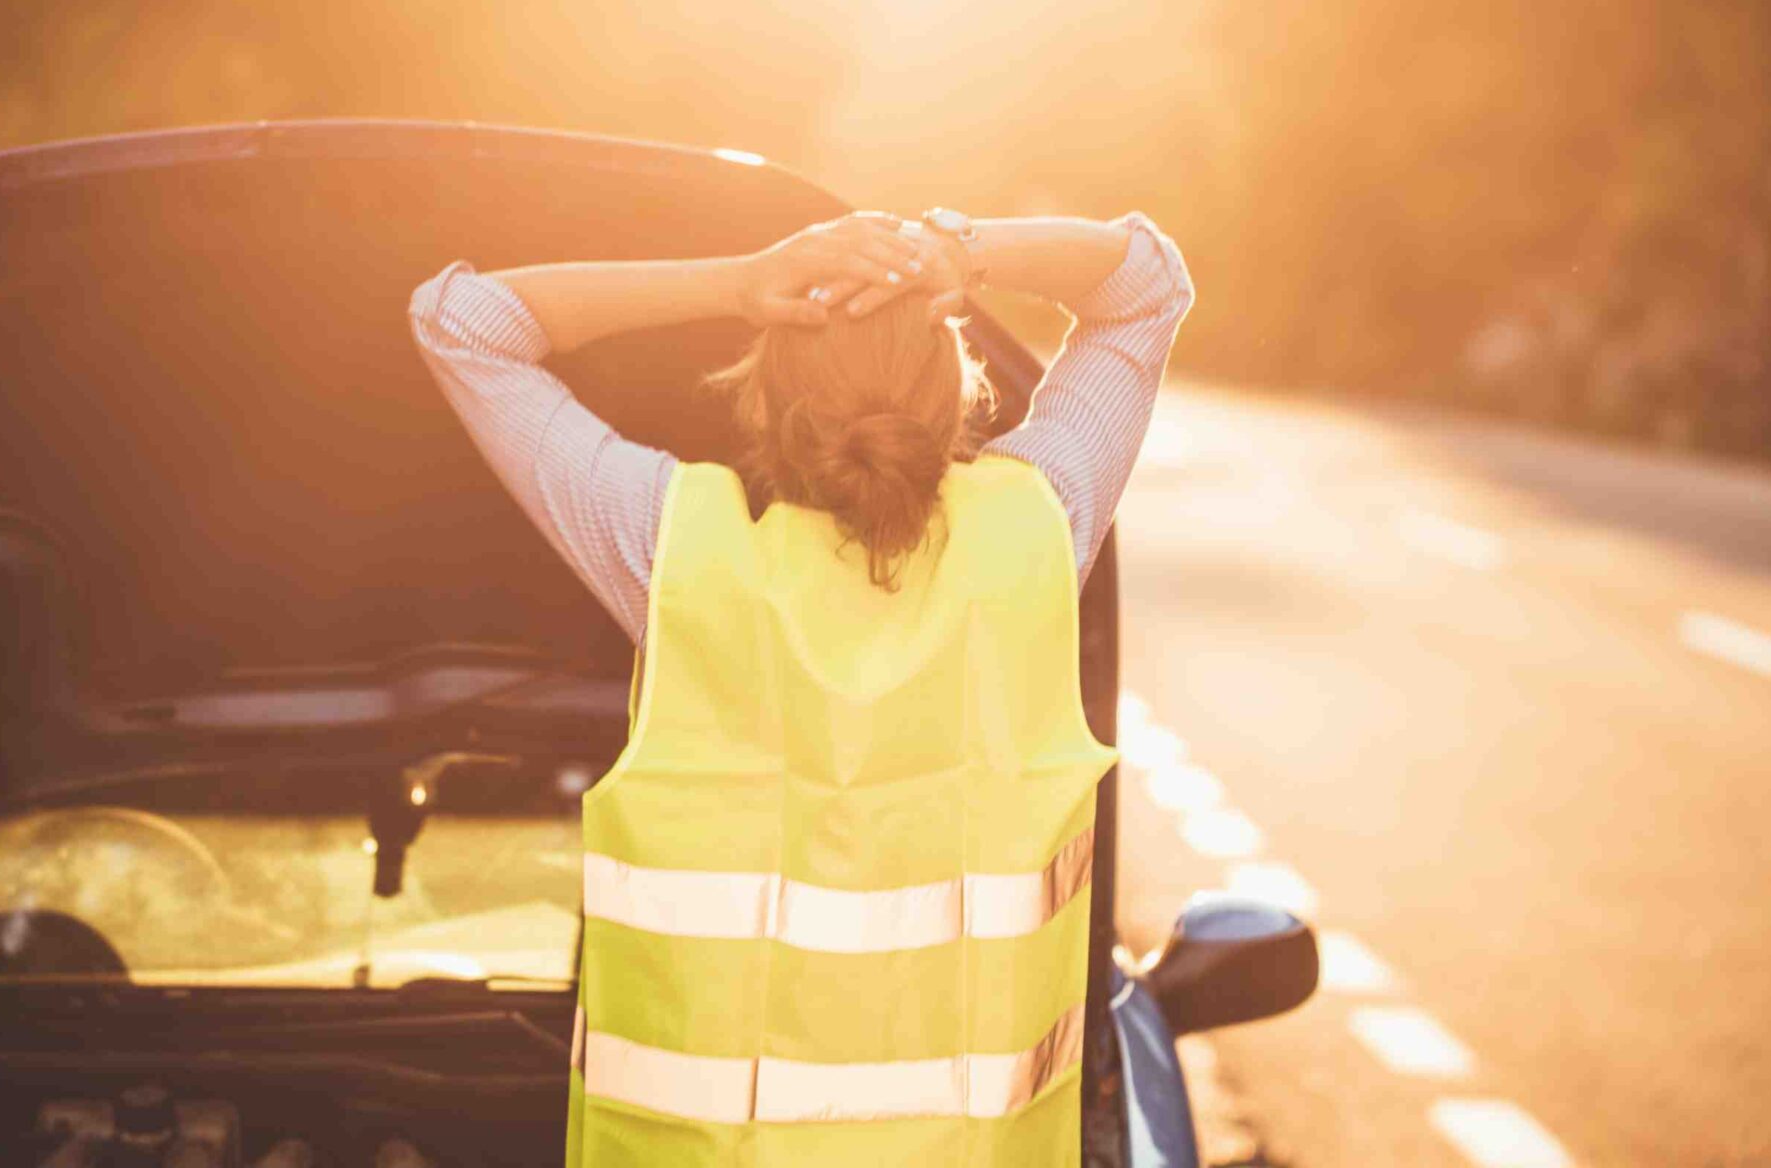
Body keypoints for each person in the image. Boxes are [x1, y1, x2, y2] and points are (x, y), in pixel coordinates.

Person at [409, 206, 1193, 1165]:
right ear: (955, 394)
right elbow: (1145, 287)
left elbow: (461, 321)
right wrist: (965, 251)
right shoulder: (1038, 531)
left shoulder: (676, 553)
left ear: (764, 400)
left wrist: (735, 280)